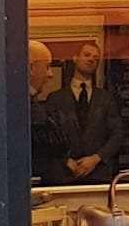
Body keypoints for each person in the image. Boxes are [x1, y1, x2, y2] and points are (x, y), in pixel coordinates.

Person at [44, 39, 123, 185]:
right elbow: (47, 136)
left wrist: (96, 158)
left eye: (96, 58)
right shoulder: (56, 98)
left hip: (98, 175)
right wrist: (65, 160)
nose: (91, 59)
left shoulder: (106, 98)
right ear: (75, 58)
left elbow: (117, 135)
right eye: (87, 55)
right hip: (64, 175)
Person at [28, 39, 67, 186]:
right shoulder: (25, 109)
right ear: (31, 68)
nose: (50, 74)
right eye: (47, 66)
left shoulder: (33, 105)